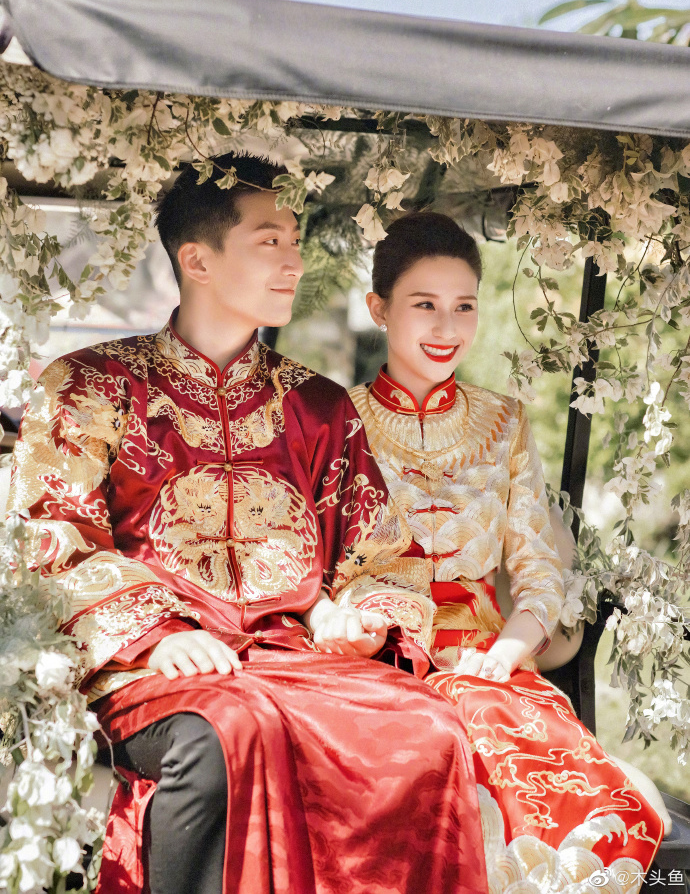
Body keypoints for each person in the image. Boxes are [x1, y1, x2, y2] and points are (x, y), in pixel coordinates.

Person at [8, 160, 488, 894]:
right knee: (228, 731)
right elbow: (53, 536)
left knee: (429, 729)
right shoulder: (90, 386)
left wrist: (364, 620)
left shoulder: (319, 406)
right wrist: (159, 634)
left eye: (295, 241)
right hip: (149, 666)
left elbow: (382, 555)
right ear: (197, 260)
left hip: (294, 659)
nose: (295, 262)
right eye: (271, 242)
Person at [350, 210, 668, 894]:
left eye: (464, 306)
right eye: (425, 305)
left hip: (486, 664)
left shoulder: (504, 421)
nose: (448, 327)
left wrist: (506, 653)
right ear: (379, 309)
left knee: (582, 810)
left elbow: (538, 575)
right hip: (371, 660)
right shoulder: (335, 420)